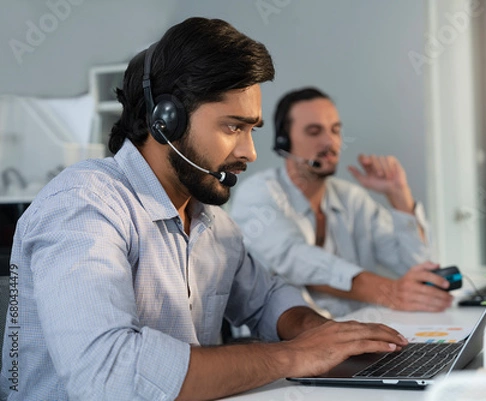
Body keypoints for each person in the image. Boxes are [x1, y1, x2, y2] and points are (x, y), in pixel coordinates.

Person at [0, 19, 408, 401]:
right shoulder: (83, 205)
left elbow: (267, 298)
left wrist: (324, 335)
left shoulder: (213, 224)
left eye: (252, 130)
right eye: (233, 127)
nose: (248, 152)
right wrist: (294, 356)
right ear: (166, 122)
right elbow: (108, 374)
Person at [230, 87, 454, 318]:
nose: (330, 141)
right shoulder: (258, 194)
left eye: (335, 130)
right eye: (314, 132)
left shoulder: (351, 199)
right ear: (284, 142)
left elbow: (420, 270)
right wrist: (390, 292)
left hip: (358, 331)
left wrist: (399, 195)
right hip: (284, 343)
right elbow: (294, 259)